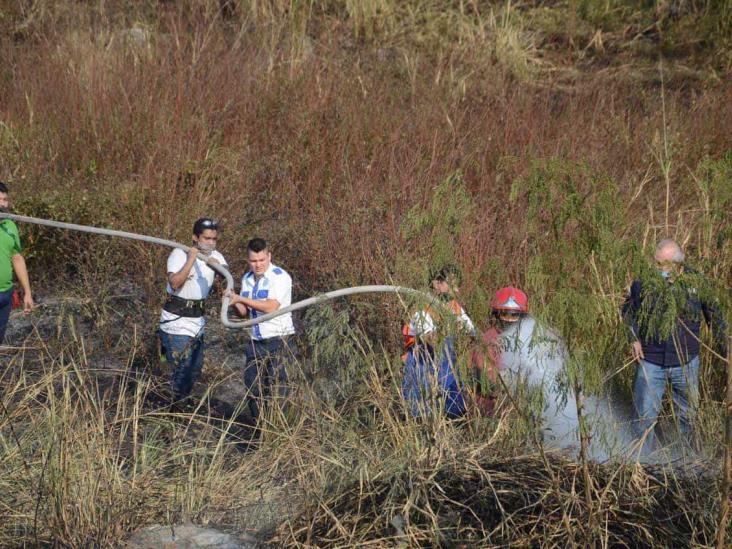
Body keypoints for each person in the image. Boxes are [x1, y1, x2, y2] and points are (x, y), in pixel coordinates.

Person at [623, 238, 727, 453]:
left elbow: (715, 318)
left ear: (678, 264)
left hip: (686, 362)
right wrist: (632, 338)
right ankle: (642, 465)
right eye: (656, 263)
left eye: (663, 264)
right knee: (644, 418)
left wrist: (727, 352)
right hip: (650, 361)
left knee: (687, 417)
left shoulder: (697, 283)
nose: (658, 269)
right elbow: (628, 313)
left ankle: (685, 462)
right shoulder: (643, 282)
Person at [158, 218, 227, 403]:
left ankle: (177, 404)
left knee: (194, 369)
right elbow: (175, 283)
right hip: (175, 323)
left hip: (197, 323)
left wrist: (218, 269)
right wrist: (192, 259)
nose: (211, 243)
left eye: (214, 239)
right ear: (195, 238)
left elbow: (227, 282)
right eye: (206, 238)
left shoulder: (217, 257)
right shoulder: (179, 254)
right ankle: (171, 411)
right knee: (180, 370)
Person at [226, 237, 296, 422]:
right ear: (248, 260)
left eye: (262, 260)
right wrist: (233, 301)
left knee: (278, 388)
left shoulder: (280, 277)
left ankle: (279, 429)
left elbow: (271, 307)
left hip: (279, 341)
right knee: (253, 386)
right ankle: (260, 428)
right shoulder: (247, 279)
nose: (258, 265)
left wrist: (242, 299)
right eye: (253, 261)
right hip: (255, 342)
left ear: (269, 256)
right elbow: (244, 313)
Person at [401, 265, 476, 418]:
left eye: (457, 285)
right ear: (436, 283)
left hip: (446, 366)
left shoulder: (453, 306)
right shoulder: (421, 308)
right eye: (452, 285)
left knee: (455, 412)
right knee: (421, 412)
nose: (457, 290)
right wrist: (450, 325)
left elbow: (473, 332)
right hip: (421, 364)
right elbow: (432, 340)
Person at [0, 182, 36, 344]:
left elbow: (17, 258)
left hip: (5, 295)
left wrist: (27, 292)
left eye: (5, 199)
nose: (3, 203)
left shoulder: (10, 226)